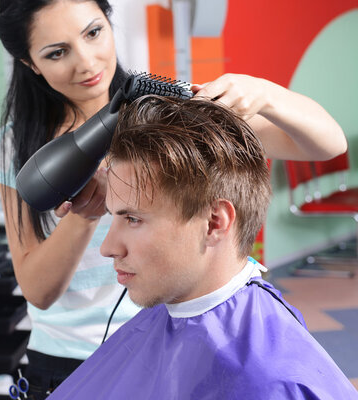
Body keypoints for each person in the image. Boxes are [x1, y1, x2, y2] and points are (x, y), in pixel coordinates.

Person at [0, 0, 347, 397]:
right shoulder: (16, 146)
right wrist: (86, 214)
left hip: (180, 345)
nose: (86, 62)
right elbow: (38, 290)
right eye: (57, 52)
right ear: (30, 62)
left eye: (93, 33)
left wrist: (266, 94)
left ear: (109, 21)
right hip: (70, 364)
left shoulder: (170, 115)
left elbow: (327, 143)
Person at [47, 95, 358, 399]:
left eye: (132, 219)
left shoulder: (273, 381)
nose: (108, 248)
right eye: (114, 215)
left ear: (213, 223)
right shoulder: (169, 315)